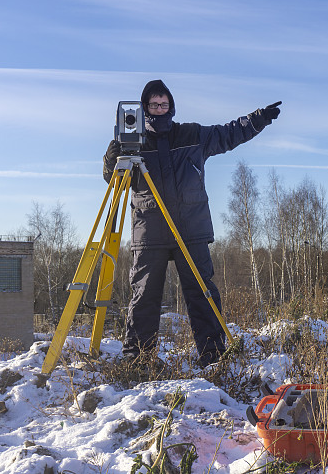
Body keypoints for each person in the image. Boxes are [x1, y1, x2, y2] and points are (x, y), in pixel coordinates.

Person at [103, 79, 281, 366]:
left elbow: (229, 133)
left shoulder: (192, 134)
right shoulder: (132, 144)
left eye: (164, 104)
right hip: (150, 234)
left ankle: (213, 355)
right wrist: (115, 151)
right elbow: (112, 179)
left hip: (191, 230)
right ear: (144, 108)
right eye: (153, 105)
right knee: (144, 297)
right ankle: (138, 359)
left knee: (202, 294)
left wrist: (257, 119)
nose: (159, 109)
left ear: (171, 106)